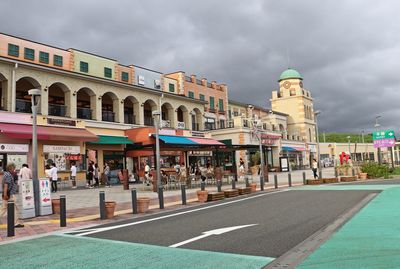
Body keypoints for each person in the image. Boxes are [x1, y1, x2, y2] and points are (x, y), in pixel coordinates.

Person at [0, 163, 24, 228]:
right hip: (9, 195)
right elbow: (6, 185)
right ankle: (16, 223)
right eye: (14, 168)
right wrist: (5, 194)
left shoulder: (6, 174)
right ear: (10, 168)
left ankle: (16, 222)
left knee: (4, 209)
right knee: (13, 208)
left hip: (9, 194)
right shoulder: (8, 175)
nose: (14, 169)